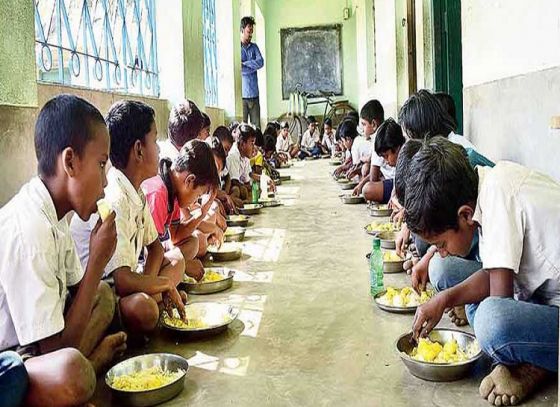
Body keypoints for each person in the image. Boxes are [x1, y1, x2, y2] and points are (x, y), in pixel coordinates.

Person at [403, 136, 559, 406]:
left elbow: (500, 300)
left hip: (550, 301)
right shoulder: (484, 186)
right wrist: (443, 300)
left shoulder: (498, 193)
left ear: (465, 215)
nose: (440, 250)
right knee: (444, 270)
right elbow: (493, 273)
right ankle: (530, 356)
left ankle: (531, 368)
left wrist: (452, 300)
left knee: (490, 321)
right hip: (536, 294)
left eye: (440, 244)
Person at [0, 94, 126, 406]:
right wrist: (97, 261)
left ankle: (84, 371)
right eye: (100, 165)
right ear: (70, 161)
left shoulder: (56, 217)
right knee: (72, 372)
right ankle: (89, 368)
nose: (105, 183)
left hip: (46, 348)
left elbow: (78, 296)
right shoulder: (29, 230)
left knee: (105, 296)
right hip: (12, 361)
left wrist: (96, 270)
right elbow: (55, 351)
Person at [70, 100, 191, 335]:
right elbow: (123, 280)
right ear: (138, 150)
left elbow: (155, 249)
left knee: (176, 260)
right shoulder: (115, 196)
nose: (158, 149)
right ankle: (153, 301)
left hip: (130, 280)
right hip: (105, 293)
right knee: (144, 309)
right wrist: (159, 286)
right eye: (155, 140)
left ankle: (153, 297)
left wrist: (148, 284)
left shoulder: (136, 190)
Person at [142, 140, 221, 261]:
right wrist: (186, 266)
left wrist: (202, 213)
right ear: (190, 181)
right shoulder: (158, 193)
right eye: (198, 195)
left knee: (193, 243)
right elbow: (150, 253)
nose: (196, 200)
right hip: (142, 264)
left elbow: (176, 236)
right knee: (178, 262)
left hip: (156, 254)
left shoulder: (173, 192)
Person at [354, 118, 404, 203]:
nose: (386, 161)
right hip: (395, 184)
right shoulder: (380, 142)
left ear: (397, 148)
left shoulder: (406, 155)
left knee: (368, 189)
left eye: (387, 156)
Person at [352, 100, 386, 194]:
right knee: (365, 168)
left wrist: (361, 185)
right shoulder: (381, 133)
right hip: (387, 176)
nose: (362, 129)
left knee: (367, 190)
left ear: (374, 124)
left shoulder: (378, 138)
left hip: (392, 179)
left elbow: (373, 177)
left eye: (364, 124)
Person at [241, 16, 264, 127]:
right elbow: (238, 69)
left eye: (252, 32)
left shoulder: (254, 47)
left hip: (254, 94)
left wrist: (245, 63)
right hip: (242, 96)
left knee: (257, 128)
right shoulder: (237, 48)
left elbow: (260, 62)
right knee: (242, 129)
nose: (250, 35)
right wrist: (252, 66)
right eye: (248, 32)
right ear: (242, 30)